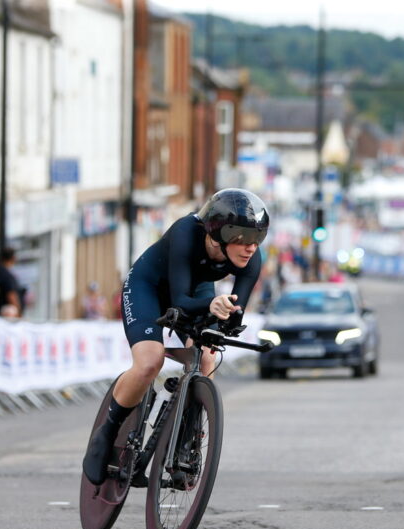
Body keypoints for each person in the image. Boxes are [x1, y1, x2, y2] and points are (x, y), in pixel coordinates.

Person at [82, 188, 269, 486]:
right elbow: (180, 302)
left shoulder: (250, 259)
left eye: (257, 238)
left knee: (207, 356)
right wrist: (211, 306)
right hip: (149, 288)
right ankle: (107, 431)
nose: (250, 247)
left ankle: (185, 441)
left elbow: (235, 316)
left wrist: (226, 318)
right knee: (149, 361)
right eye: (243, 238)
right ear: (217, 233)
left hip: (197, 291)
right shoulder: (186, 232)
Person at [0, 248, 23, 317]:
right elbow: (11, 295)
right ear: (13, 258)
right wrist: (19, 314)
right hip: (6, 315)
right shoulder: (7, 276)